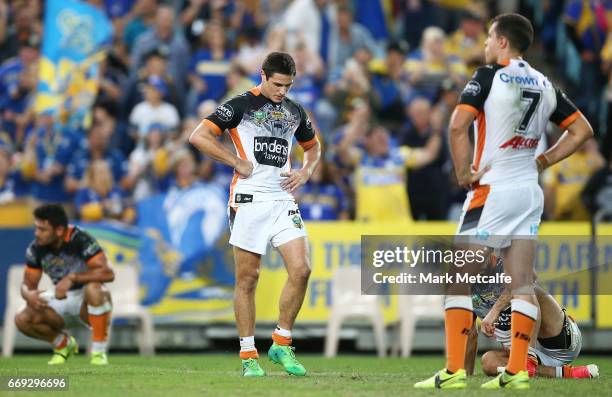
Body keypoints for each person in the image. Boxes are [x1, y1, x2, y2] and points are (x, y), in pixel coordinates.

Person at [415, 13, 594, 389]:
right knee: (522, 281)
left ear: (500, 42)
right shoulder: (544, 82)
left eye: (487, 40)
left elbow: (457, 126)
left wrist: (463, 172)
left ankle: (452, 373)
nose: (483, 46)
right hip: (530, 190)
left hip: (493, 189)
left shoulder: (488, 76)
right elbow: (581, 130)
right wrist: (543, 160)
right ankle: (515, 372)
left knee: (458, 276)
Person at [189, 52, 321, 377]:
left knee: (302, 269)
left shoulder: (294, 111)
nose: (281, 91)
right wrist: (234, 161)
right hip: (248, 199)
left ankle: (281, 342)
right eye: (277, 84)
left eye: (287, 85)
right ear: (262, 75)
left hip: (281, 199)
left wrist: (305, 172)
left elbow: (314, 147)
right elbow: (199, 136)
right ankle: (249, 354)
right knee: (248, 279)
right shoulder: (239, 105)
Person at [466, 256, 599, 379]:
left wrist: (495, 310)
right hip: (521, 352)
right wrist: (467, 374)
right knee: (488, 361)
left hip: (558, 342)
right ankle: (566, 372)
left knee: (527, 288)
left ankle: (529, 359)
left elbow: (531, 276)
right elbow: (470, 333)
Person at [14, 204, 115, 365]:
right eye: (36, 228)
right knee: (22, 318)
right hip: (60, 300)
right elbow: (27, 285)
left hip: (86, 301)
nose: (36, 234)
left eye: (42, 229)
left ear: (59, 230)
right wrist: (28, 295)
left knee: (95, 289)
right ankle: (63, 344)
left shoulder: (80, 238)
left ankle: (98, 352)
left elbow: (108, 273)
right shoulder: (35, 248)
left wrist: (72, 277)